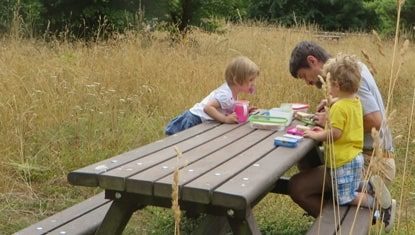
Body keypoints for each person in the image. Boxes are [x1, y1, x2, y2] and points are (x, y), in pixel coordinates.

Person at [288, 41, 396, 232]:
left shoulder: (348, 74)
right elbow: (354, 107)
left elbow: (376, 121)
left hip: (373, 160)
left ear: (312, 61)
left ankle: (347, 226)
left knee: (298, 186)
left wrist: (330, 123)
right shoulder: (349, 70)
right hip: (359, 154)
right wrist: (333, 103)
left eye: (304, 76)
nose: (308, 82)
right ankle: (343, 216)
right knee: (307, 162)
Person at [165, 56, 258, 135]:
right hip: (194, 119)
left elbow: (225, 107)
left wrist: (244, 111)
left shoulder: (232, 93)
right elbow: (208, 108)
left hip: (201, 121)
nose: (253, 83)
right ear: (237, 80)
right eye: (250, 80)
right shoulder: (225, 94)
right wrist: (225, 119)